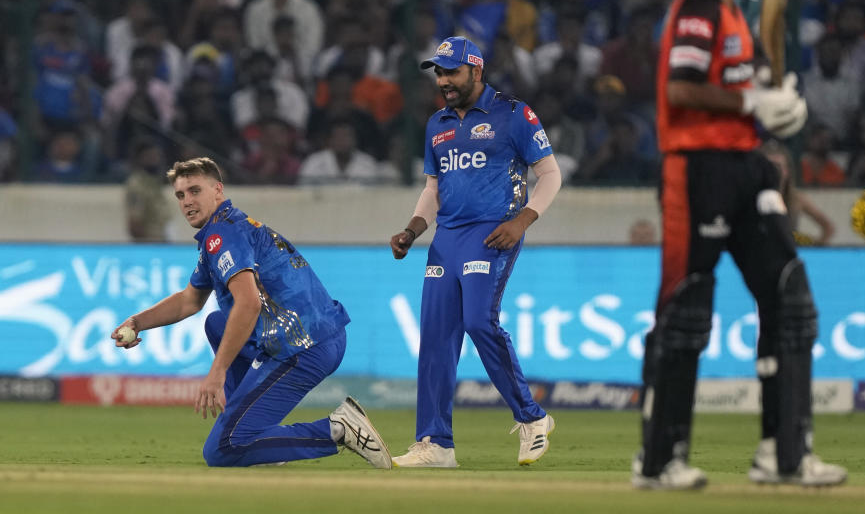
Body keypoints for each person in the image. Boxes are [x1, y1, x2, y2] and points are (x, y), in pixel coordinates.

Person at [633, 0, 846, 490]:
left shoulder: (729, 12)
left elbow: (730, 90)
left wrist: (768, 117)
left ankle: (785, 456)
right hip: (696, 171)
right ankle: (658, 461)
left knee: (791, 298)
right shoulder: (699, 10)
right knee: (685, 312)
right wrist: (754, 103)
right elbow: (681, 88)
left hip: (743, 165)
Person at [110, 157, 391, 469]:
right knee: (217, 323)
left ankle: (338, 430)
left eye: (194, 191)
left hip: (302, 346)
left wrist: (217, 372)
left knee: (221, 450)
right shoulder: (226, 230)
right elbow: (189, 300)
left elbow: (249, 303)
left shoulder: (221, 236)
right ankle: (258, 442)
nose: (187, 201)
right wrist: (138, 322)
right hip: (317, 335)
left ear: (218, 190)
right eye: (180, 195)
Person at [388, 36, 562, 468]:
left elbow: (551, 174)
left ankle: (533, 418)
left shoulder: (513, 113)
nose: (444, 80)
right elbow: (433, 188)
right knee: (435, 336)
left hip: (493, 232)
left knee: (478, 321)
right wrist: (413, 229)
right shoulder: (437, 123)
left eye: (451, 72)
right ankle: (436, 444)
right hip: (446, 238)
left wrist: (522, 220)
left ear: (476, 71)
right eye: (439, 73)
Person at [761, 141, 835, 246]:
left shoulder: (796, 199)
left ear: (787, 171)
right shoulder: (752, 197)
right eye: (769, 166)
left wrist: (816, 249)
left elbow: (828, 227)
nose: (773, 171)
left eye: (778, 166)